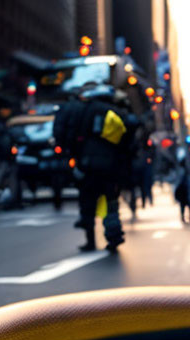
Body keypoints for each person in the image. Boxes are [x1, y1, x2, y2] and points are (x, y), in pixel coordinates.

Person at [54, 85, 135, 252]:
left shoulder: (84, 111)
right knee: (111, 203)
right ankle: (113, 238)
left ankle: (90, 241)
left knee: (87, 201)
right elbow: (127, 142)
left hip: (88, 164)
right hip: (111, 167)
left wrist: (75, 157)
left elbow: (74, 136)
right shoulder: (116, 112)